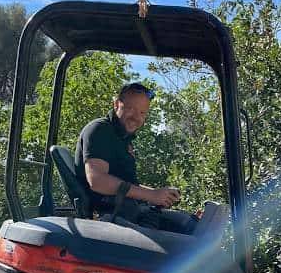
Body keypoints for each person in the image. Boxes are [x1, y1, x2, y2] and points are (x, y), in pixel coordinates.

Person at [74, 82, 199, 235]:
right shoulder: (100, 130)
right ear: (116, 104)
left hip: (129, 212)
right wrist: (151, 195)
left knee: (192, 223)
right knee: (188, 237)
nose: (136, 117)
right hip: (110, 220)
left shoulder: (122, 139)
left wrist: (158, 194)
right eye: (131, 109)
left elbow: (129, 186)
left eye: (142, 113)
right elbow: (97, 181)